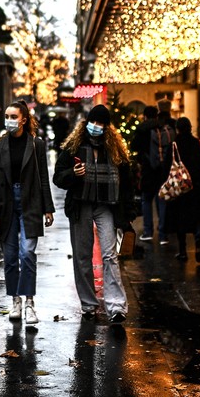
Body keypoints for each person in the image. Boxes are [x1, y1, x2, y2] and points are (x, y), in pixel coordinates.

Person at [53, 104, 138, 322]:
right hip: (81, 204)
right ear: (87, 123)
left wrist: (129, 210)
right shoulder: (74, 147)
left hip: (107, 205)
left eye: (101, 124)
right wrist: (73, 174)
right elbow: (58, 177)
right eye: (94, 122)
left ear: (107, 127)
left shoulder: (115, 149)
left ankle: (116, 306)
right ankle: (88, 304)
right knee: (82, 256)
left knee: (110, 255)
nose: (96, 127)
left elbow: (127, 182)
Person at [0, 101, 56, 325]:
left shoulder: (36, 144)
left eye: (13, 116)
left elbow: (43, 177)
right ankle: (15, 300)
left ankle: (29, 301)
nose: (9, 121)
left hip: (30, 202)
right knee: (9, 256)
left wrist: (48, 207)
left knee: (27, 253)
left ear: (23, 119)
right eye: (7, 116)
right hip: (5, 204)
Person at [162, 117, 200, 262]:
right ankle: (198, 241)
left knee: (180, 217)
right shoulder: (199, 144)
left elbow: (166, 166)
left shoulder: (174, 145)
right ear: (190, 128)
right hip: (197, 187)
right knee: (197, 215)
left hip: (180, 187)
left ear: (177, 129)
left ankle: (183, 251)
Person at [131, 105, 164, 241]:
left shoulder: (141, 129)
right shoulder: (162, 128)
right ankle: (163, 233)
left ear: (145, 116)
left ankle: (148, 231)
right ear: (156, 115)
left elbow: (134, 146)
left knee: (146, 200)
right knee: (161, 200)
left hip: (147, 169)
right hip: (161, 170)